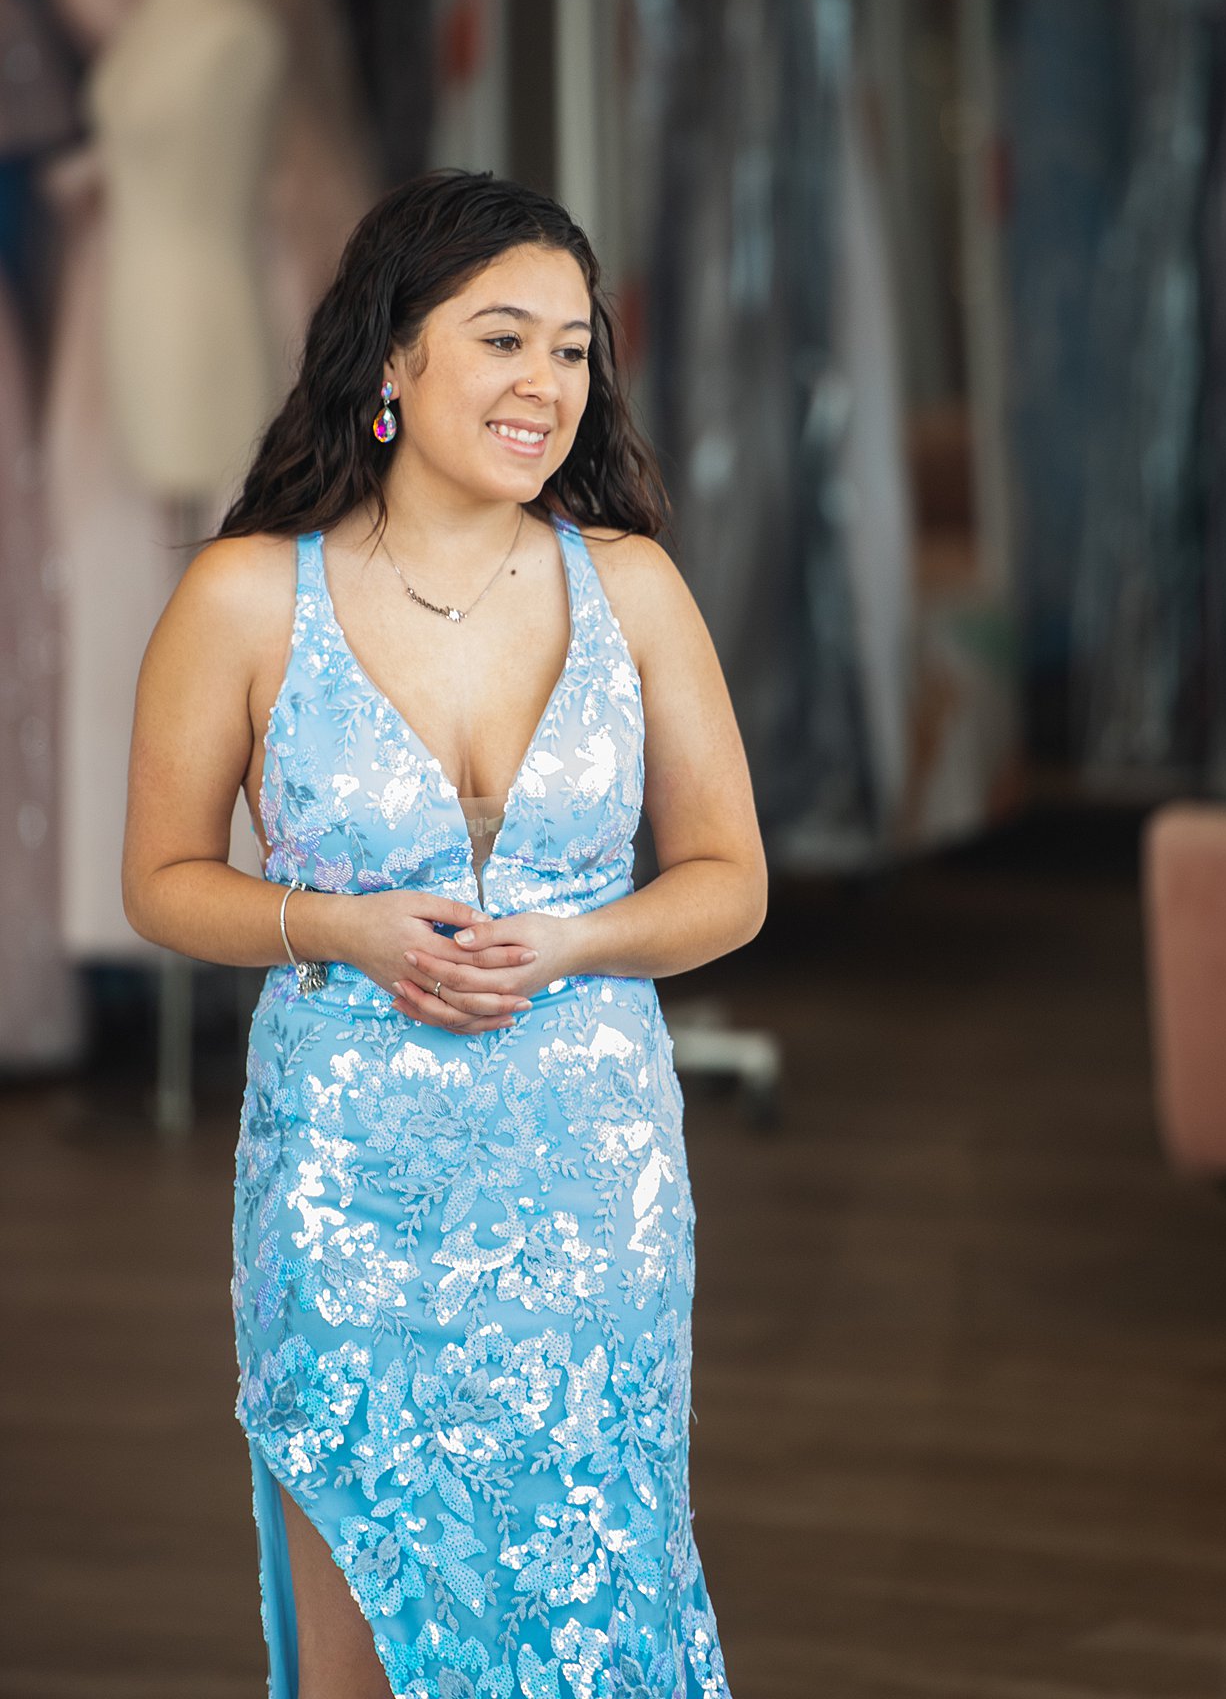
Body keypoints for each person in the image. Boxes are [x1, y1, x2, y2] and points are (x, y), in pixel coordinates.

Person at [122, 169, 767, 1699]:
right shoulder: (243, 598)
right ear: (393, 358)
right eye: (503, 340)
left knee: (598, 1588)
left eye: (572, 347)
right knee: (368, 1611)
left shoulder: (634, 588)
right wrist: (332, 922)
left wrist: (575, 945)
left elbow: (729, 878)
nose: (546, 383)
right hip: (349, 1188)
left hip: (591, 1180)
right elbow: (161, 876)